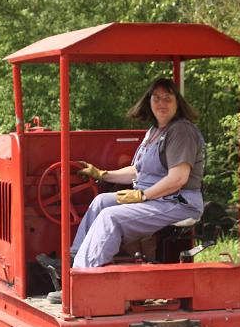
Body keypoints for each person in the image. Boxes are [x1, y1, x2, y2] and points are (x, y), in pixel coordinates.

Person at [39, 77, 205, 303]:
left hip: (177, 203)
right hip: (156, 200)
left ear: (178, 102)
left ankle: (83, 282)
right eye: (156, 98)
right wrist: (102, 174)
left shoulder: (181, 132)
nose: (161, 103)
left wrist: (142, 195)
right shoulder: (154, 131)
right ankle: (74, 261)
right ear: (149, 102)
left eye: (168, 98)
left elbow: (178, 178)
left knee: (110, 217)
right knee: (101, 203)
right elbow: (138, 171)